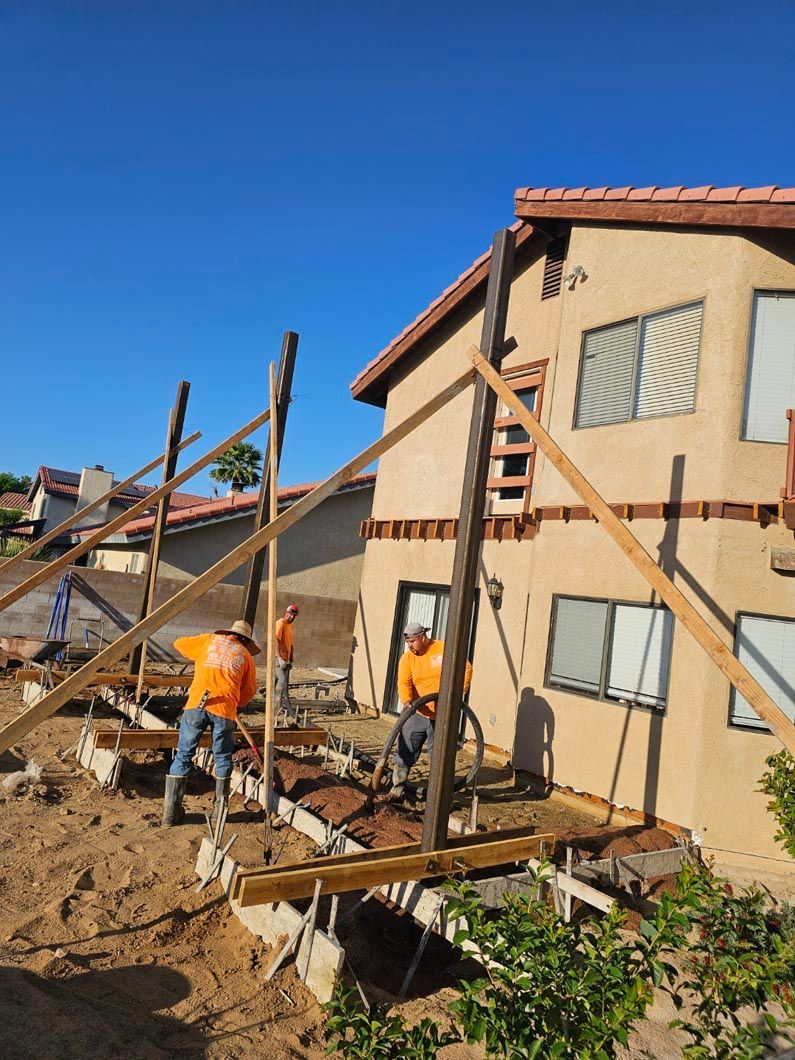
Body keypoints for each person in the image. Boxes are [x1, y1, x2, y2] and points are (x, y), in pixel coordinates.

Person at [162, 619, 260, 827]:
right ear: (245, 639)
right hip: (224, 709)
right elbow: (248, 693)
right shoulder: (246, 657)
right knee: (223, 757)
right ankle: (218, 813)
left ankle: (171, 815)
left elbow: (179, 643)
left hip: (197, 703)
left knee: (184, 754)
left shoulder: (209, 640)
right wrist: (235, 702)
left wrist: (202, 655)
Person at [392, 622, 473, 797]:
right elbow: (404, 682)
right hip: (418, 712)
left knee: (440, 757)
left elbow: (466, 669)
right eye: (408, 642)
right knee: (404, 752)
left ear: (423, 637)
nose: (410, 646)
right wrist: (407, 701)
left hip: (443, 715)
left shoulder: (443, 649)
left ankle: (441, 799)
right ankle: (397, 790)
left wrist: (457, 693)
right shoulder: (407, 658)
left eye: (412, 641)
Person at [274, 604, 298, 709]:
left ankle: (274, 705)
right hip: (277, 658)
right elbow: (275, 640)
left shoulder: (289, 626)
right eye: (291, 614)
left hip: (284, 659)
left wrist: (291, 659)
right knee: (281, 681)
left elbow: (290, 644)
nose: (292, 617)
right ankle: (276, 708)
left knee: (277, 681)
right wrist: (279, 657)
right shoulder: (280, 623)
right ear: (286, 613)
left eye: (294, 615)